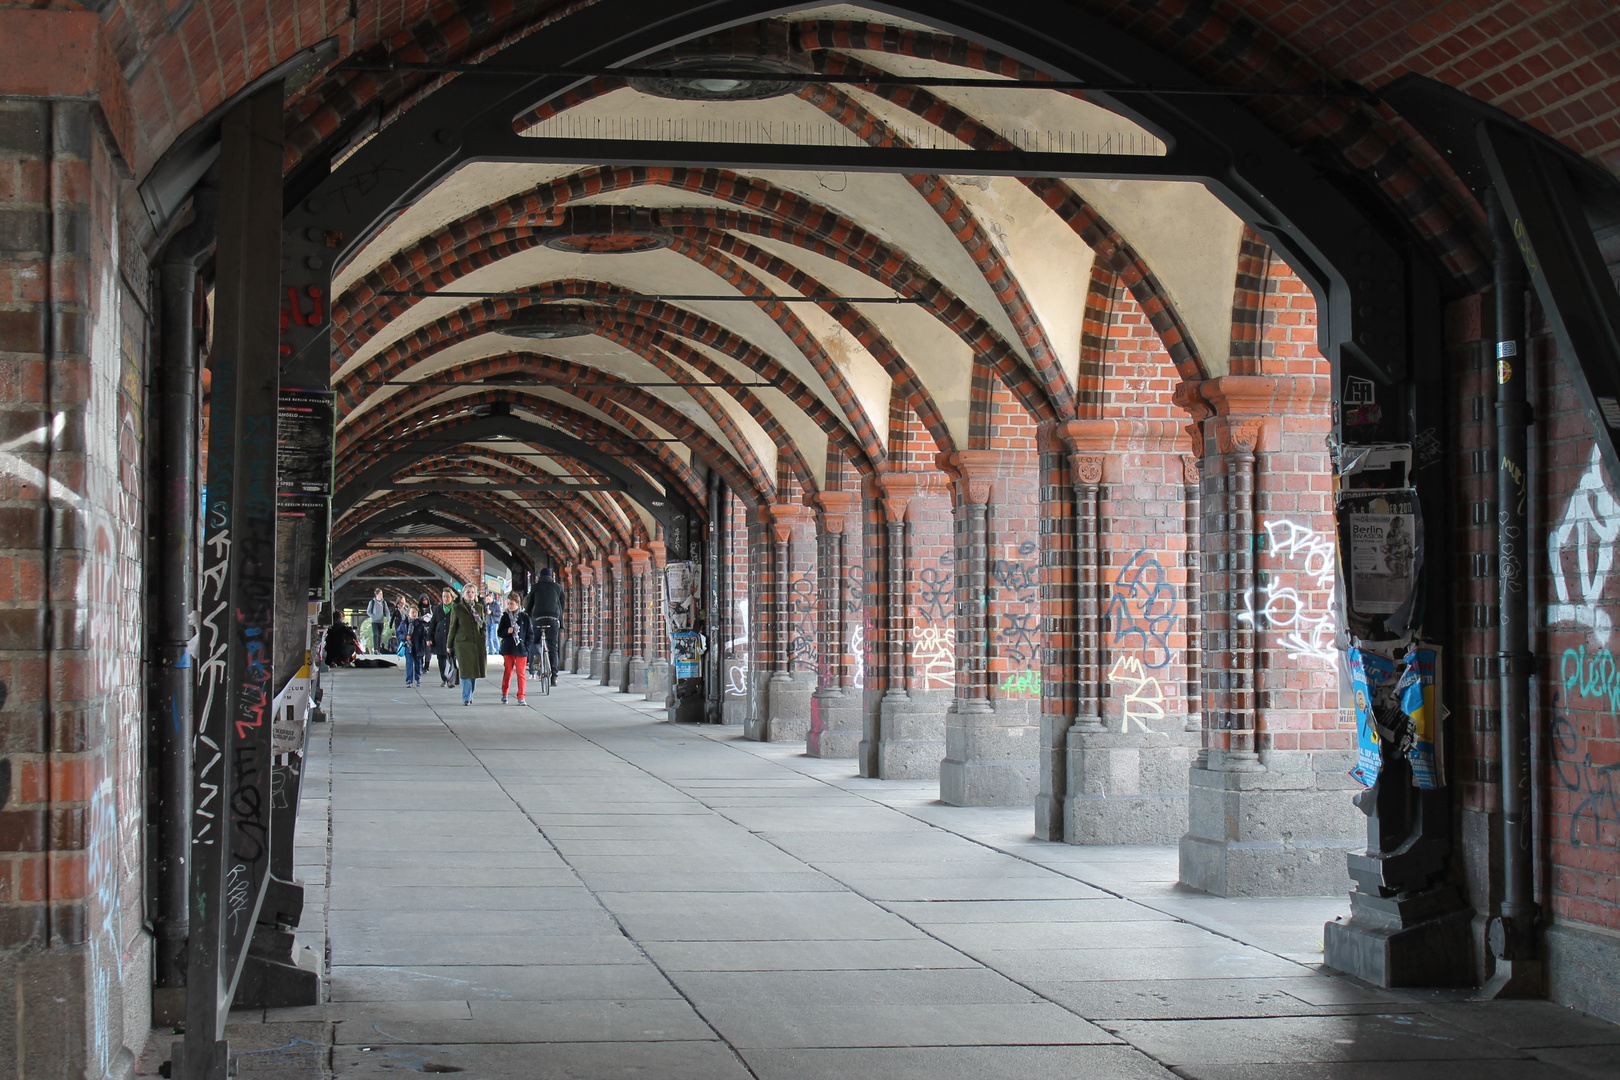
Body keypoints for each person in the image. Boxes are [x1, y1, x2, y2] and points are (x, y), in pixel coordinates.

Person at [446, 582, 488, 705]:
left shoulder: (479, 608)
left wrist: (483, 635)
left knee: (474, 671)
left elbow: (483, 624)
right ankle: (466, 697)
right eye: (468, 592)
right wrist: (449, 645)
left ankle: (470, 694)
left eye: (472, 592)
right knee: (465, 671)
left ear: (475, 595)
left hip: (477, 643)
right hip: (462, 643)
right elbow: (453, 627)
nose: (470, 594)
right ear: (463, 594)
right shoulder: (457, 608)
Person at [524, 566, 566, 686]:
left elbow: (530, 603)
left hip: (539, 618)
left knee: (535, 642)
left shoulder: (536, 587)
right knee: (553, 647)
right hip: (553, 619)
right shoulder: (558, 587)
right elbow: (562, 603)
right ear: (552, 576)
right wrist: (558, 615)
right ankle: (554, 676)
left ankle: (536, 666)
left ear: (540, 577)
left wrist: (528, 614)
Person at [497, 593, 532, 704]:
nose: (510, 606)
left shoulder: (525, 617)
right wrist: (507, 631)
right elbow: (500, 632)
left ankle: (521, 696)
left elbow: (530, 634)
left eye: (512, 604)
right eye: (508, 603)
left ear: (518, 604)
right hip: (508, 648)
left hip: (521, 648)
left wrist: (527, 647)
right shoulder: (505, 617)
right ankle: (504, 692)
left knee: (521, 673)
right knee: (508, 672)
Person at [429, 587, 456, 687]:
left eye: (447, 597)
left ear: (452, 597)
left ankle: (451, 679)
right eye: (444, 597)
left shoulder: (455, 609)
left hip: (451, 637)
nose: (445, 599)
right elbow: (433, 624)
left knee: (452, 658)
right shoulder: (438, 609)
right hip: (439, 637)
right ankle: (444, 679)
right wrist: (429, 638)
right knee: (441, 659)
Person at [402, 605, 429, 688]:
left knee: (418, 664)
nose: (414, 614)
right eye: (412, 612)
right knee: (409, 663)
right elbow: (399, 633)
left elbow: (425, 634)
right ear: (408, 614)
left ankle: (418, 678)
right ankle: (409, 680)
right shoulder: (404, 624)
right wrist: (404, 637)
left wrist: (427, 640)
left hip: (418, 647)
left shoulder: (420, 624)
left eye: (416, 613)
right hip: (408, 647)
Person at [366, 589, 389, 654]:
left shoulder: (384, 602)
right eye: (380, 594)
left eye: (382, 594)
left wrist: (388, 619)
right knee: (375, 634)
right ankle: (376, 649)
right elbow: (368, 611)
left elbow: (387, 611)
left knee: (380, 635)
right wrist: (373, 616)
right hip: (374, 621)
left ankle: (378, 649)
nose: (382, 595)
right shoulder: (372, 602)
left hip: (381, 621)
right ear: (376, 594)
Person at [484, 589, 502, 654]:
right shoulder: (486, 605)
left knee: (494, 636)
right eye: (487, 599)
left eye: (489, 599)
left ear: (492, 598)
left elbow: (499, 613)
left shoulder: (496, 604)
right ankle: (491, 650)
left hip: (494, 622)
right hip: (487, 621)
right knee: (488, 636)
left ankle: (498, 649)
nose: (488, 600)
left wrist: (492, 613)